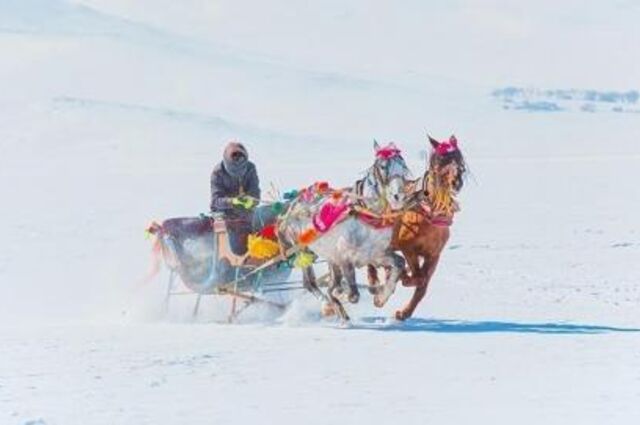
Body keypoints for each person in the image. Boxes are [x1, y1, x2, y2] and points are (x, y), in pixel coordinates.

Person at [210, 141, 260, 255]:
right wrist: (232, 201)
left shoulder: (251, 168)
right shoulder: (217, 173)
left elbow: (255, 193)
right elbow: (215, 201)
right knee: (236, 243)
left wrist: (251, 200)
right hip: (225, 215)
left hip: (246, 213)